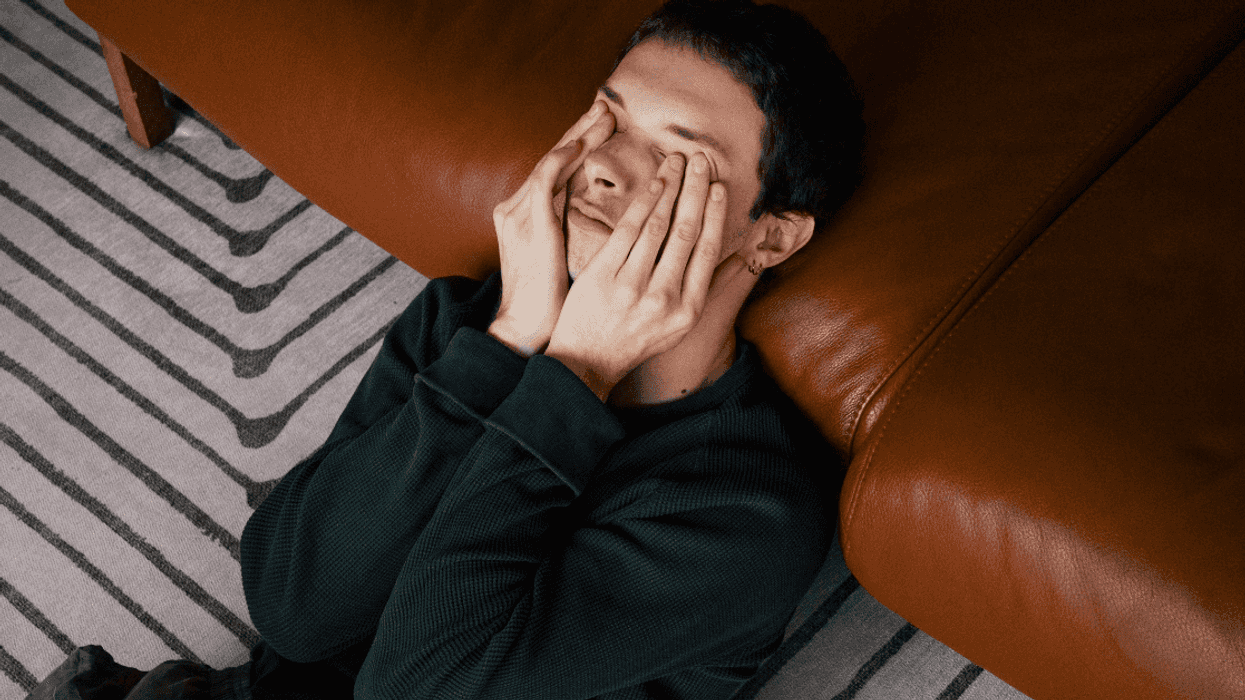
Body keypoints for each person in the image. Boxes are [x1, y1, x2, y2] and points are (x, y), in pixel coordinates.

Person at [28, 1, 863, 699]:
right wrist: (507, 347)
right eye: (608, 118)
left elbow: (413, 688)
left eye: (678, 158)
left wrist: (575, 378)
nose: (603, 165)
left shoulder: (747, 510)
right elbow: (290, 607)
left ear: (771, 236)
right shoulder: (482, 323)